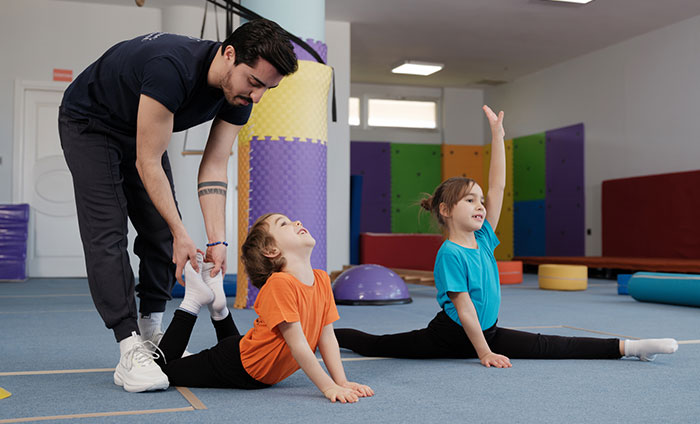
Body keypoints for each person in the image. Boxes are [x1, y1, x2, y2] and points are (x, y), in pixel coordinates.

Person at [58, 19, 298, 392]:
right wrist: (181, 232)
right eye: (254, 82)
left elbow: (216, 164)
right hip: (90, 123)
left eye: (268, 88)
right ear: (229, 54)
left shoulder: (240, 96)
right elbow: (147, 161)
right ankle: (128, 346)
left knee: (159, 231)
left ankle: (152, 329)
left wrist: (217, 241)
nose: (257, 96)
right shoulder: (171, 68)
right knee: (107, 233)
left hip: (139, 132)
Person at [335, 106, 678, 366]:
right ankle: (325, 335)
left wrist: (497, 138)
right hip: (449, 336)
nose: (480, 206)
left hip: (489, 331)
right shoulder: (450, 253)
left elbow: (498, 185)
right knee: (377, 345)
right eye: (470, 200)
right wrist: (484, 352)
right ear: (445, 210)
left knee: (551, 345)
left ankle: (632, 348)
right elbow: (465, 309)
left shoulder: (483, 238)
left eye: (480, 201)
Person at [149, 213, 374, 402]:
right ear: (271, 250)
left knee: (235, 345)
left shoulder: (323, 279)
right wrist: (328, 387)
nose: (296, 222)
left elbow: (327, 337)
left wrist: (341, 381)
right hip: (237, 365)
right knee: (161, 372)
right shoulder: (280, 283)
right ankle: (193, 300)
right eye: (284, 224)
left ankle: (218, 307)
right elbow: (298, 345)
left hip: (246, 350)